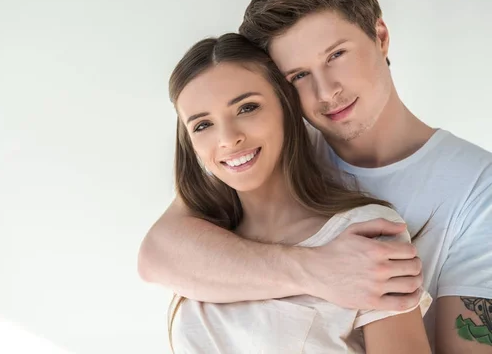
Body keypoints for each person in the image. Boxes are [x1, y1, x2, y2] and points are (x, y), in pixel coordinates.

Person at [138, 0, 492, 352]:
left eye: (336, 55)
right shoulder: (270, 149)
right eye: (298, 75)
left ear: (381, 35)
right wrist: (317, 271)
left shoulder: (479, 189)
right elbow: (159, 254)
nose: (326, 92)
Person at [165, 32, 431, 353]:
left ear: (285, 106)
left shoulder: (367, 232)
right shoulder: (201, 246)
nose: (228, 138)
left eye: (247, 108)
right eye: (202, 125)